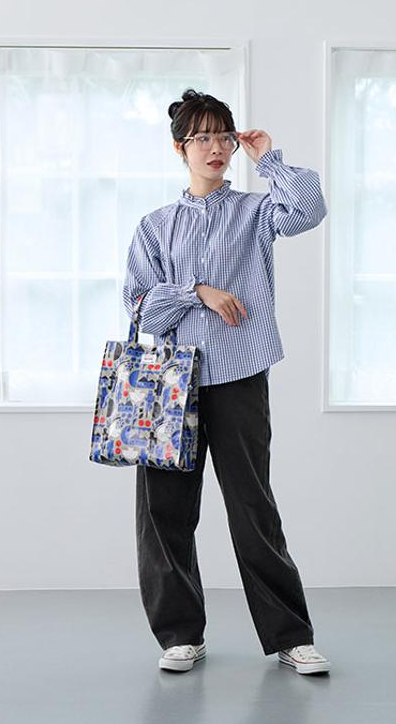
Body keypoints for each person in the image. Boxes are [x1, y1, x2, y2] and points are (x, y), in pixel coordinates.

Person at [122, 88, 331, 675]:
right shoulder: (155, 226)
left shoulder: (255, 211)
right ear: (180, 149)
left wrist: (269, 159)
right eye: (202, 138)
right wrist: (197, 293)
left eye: (223, 137)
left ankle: (291, 636)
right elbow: (139, 307)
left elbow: (308, 209)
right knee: (164, 513)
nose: (214, 148)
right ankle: (180, 635)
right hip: (169, 384)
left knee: (252, 507)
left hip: (239, 376)